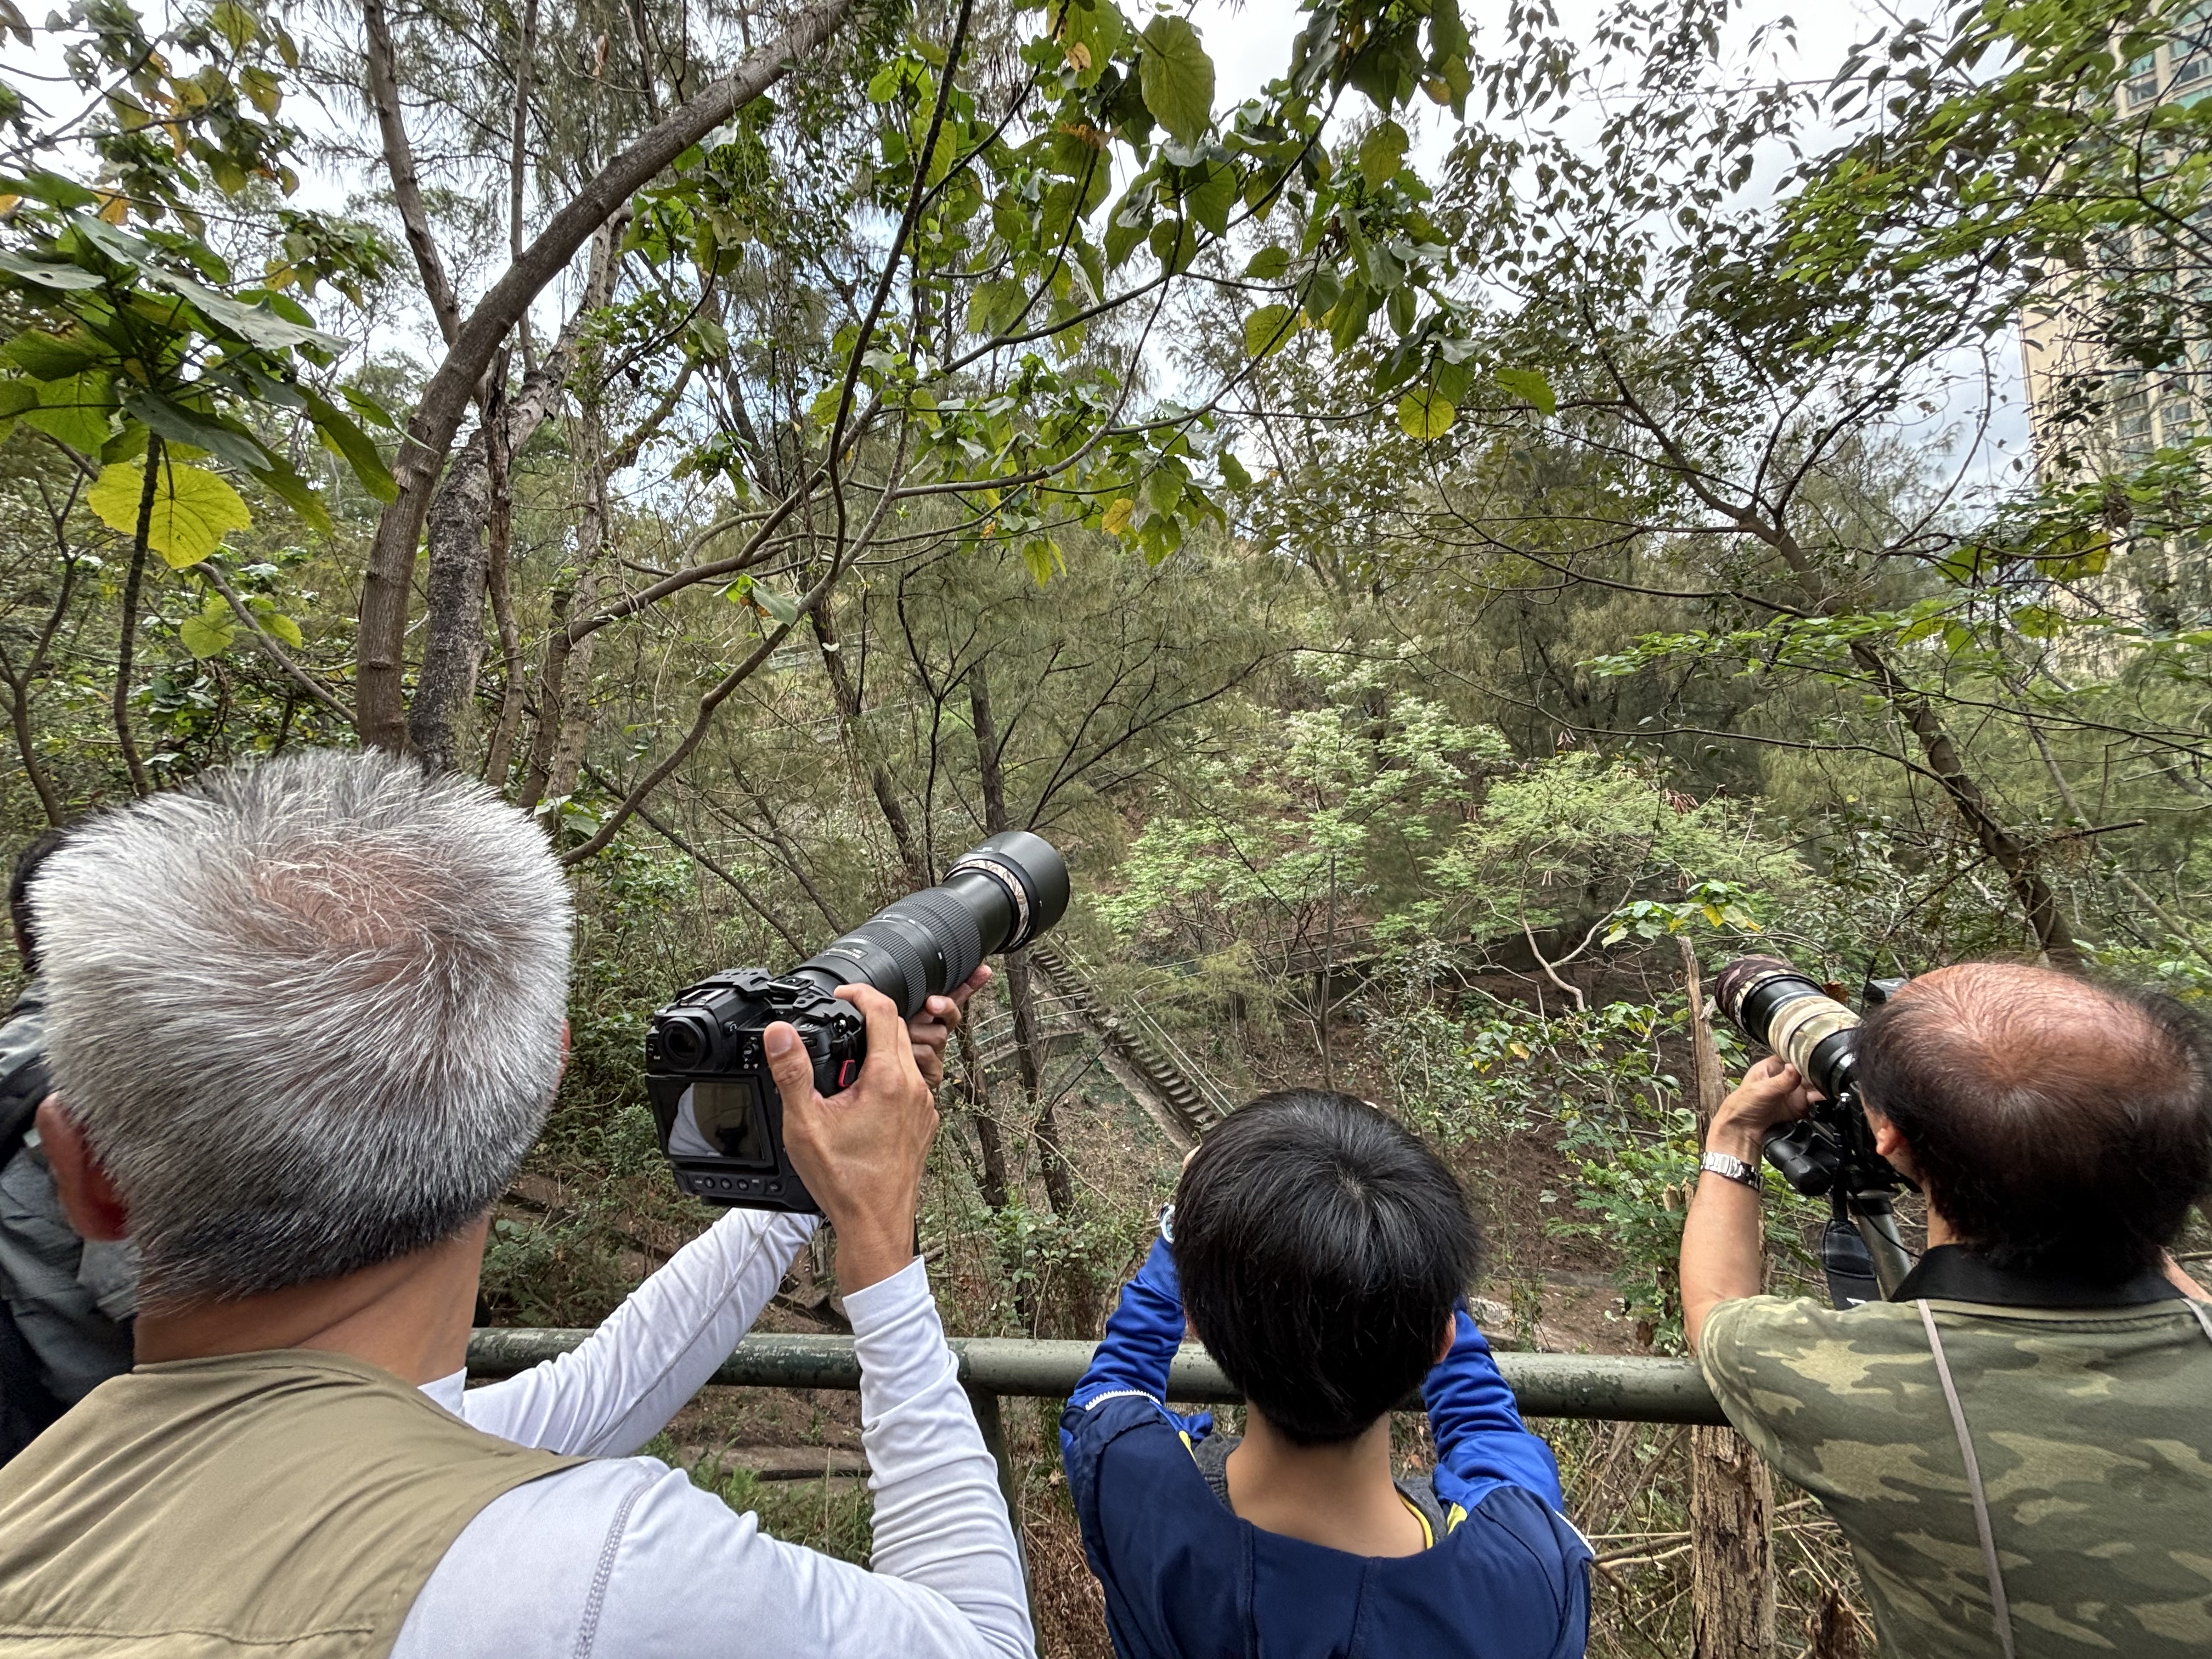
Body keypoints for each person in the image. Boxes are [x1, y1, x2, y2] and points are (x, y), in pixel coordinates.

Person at [0, 749, 1029, 1659]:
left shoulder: (50, 1494)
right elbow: (983, 1642)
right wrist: (878, 1239)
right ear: (539, 1085)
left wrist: (815, 1167)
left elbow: (600, 1390)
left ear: (83, 1171)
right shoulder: (609, 1572)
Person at [1681, 962, 2212, 1659]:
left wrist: (1735, 1134)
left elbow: (1718, 1306)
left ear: (1891, 1139)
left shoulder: (1861, 1382)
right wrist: (2117, 1171)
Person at [1062, 1088, 1592, 1659]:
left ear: (1195, 1321)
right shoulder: (1527, 1573)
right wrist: (1413, 1241)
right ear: (1442, 1340)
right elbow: (1488, 1429)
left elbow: (1117, 1384)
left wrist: (1177, 1232)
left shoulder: (1133, 1489)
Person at [1, 827, 139, 1464]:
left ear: (25, 941)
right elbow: (179, 1313)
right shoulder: (122, 1073)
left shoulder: (16, 1059)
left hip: (44, 1458)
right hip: (141, 1459)